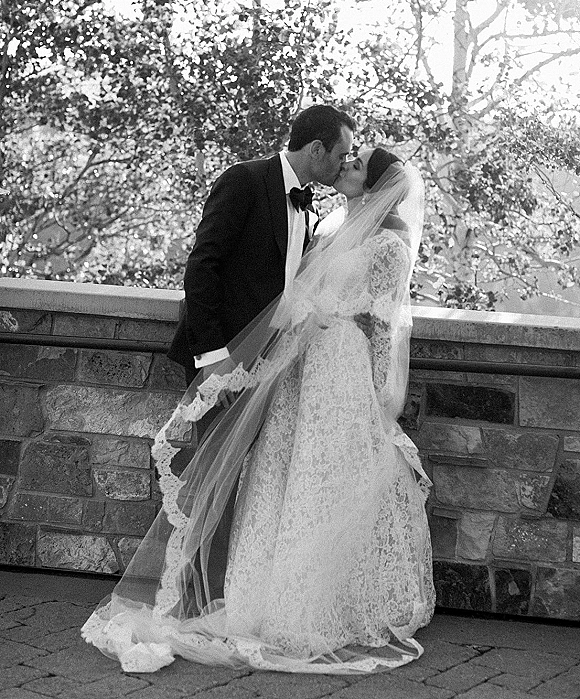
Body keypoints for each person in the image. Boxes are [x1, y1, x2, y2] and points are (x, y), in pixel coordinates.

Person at [82, 147, 434, 676]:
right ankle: (257, 596)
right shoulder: (332, 223)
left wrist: (379, 398)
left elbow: (384, 326)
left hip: (340, 369)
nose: (346, 167)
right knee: (278, 474)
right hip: (296, 368)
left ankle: (316, 600)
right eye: (345, 156)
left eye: (357, 164)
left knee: (322, 478)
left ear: (378, 182)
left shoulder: (391, 245)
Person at [166, 104, 354, 600]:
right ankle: (190, 599)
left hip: (267, 364)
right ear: (316, 150)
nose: (343, 165)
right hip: (223, 363)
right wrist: (214, 358)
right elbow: (202, 266)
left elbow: (287, 287)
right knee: (210, 482)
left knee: (241, 481)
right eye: (341, 155)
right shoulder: (245, 181)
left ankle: (219, 596)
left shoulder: (310, 205)